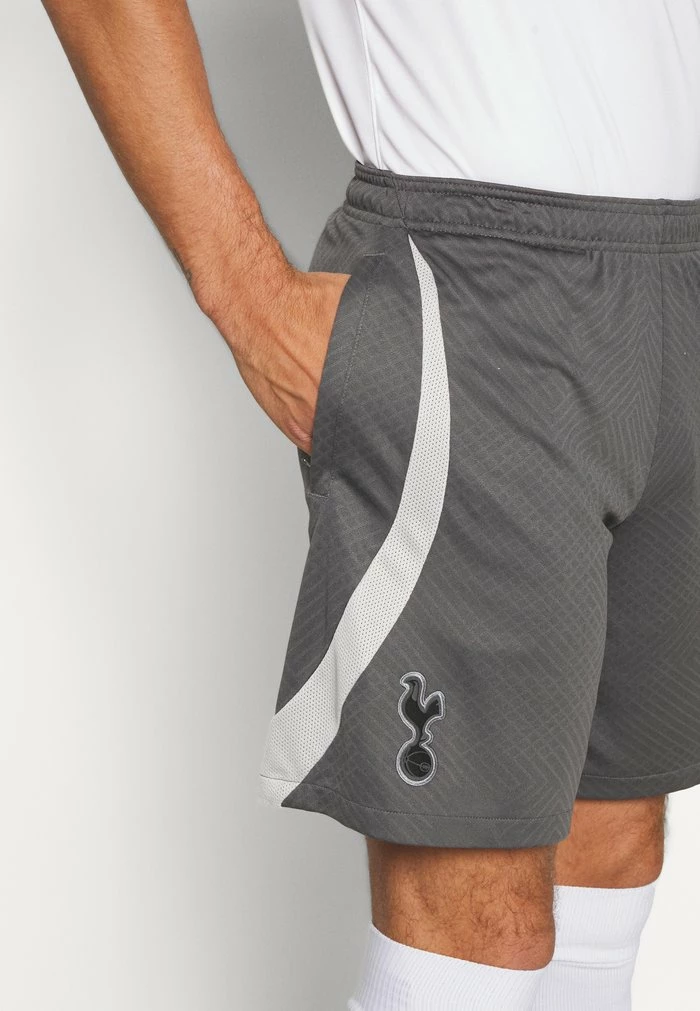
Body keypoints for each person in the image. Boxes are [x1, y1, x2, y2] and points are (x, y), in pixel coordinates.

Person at [41, 1, 700, 1007]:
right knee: (477, 911)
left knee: (610, 846)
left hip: (676, 284)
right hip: (476, 284)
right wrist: (244, 290)